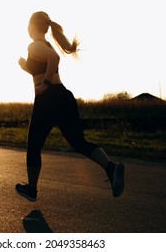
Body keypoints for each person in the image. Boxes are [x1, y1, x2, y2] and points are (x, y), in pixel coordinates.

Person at [15, 11, 124, 202]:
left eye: (27, 25)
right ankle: (111, 167)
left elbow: (54, 59)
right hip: (63, 97)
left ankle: (31, 190)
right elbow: (42, 68)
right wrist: (26, 67)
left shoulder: (34, 45)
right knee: (79, 142)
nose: (26, 29)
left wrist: (45, 85)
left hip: (48, 99)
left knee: (33, 145)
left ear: (32, 27)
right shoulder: (43, 45)